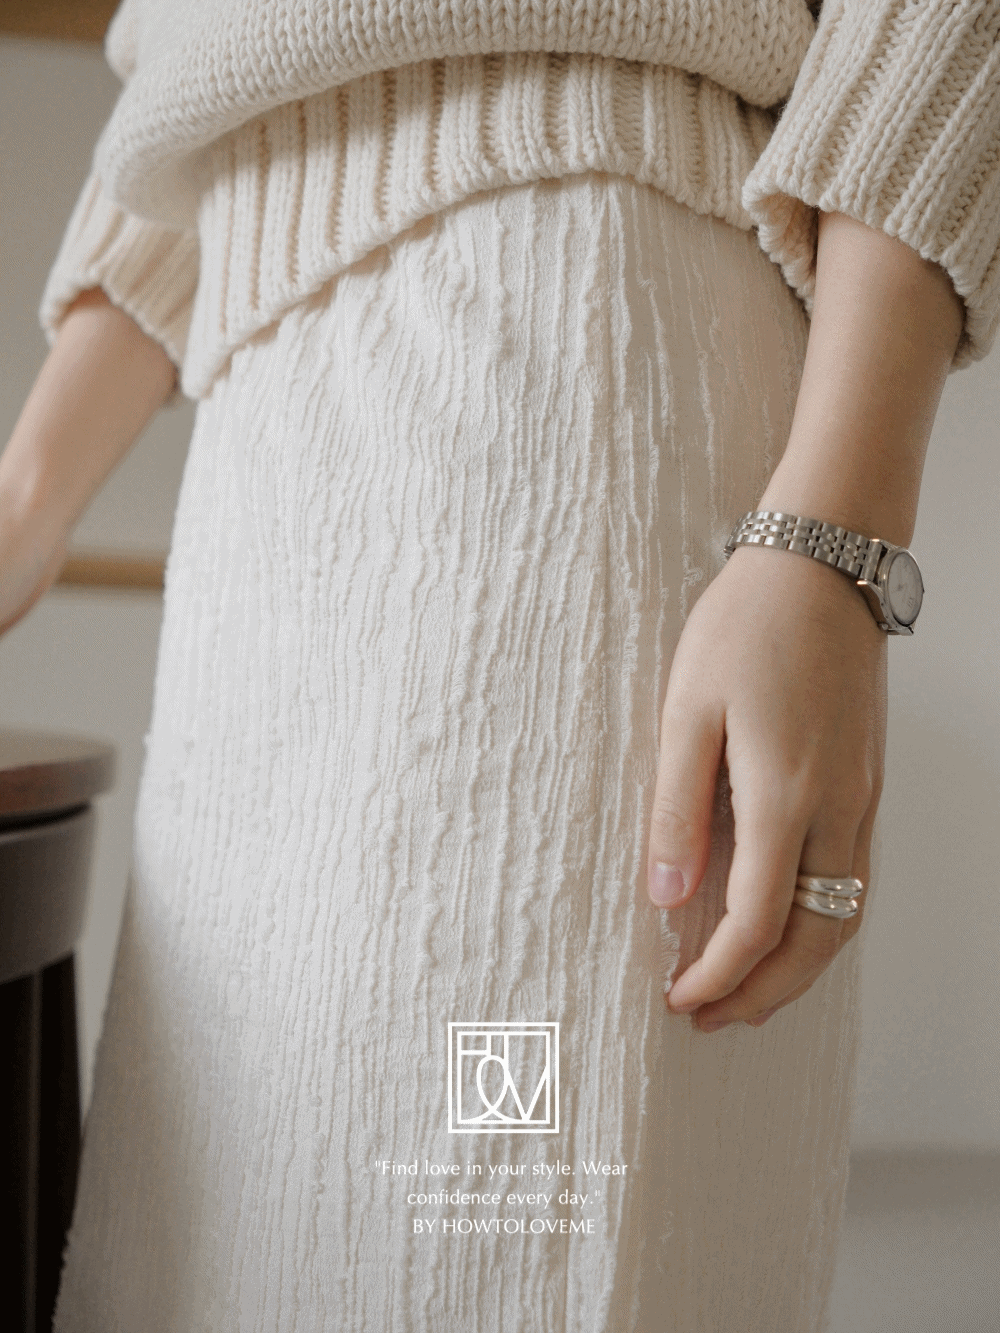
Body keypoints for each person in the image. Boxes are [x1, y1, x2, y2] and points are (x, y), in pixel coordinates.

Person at [0, 0, 996, 1329]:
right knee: (222, 1260)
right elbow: (212, 55)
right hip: (257, 460)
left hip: (563, 343)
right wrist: (29, 493)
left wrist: (833, 540)